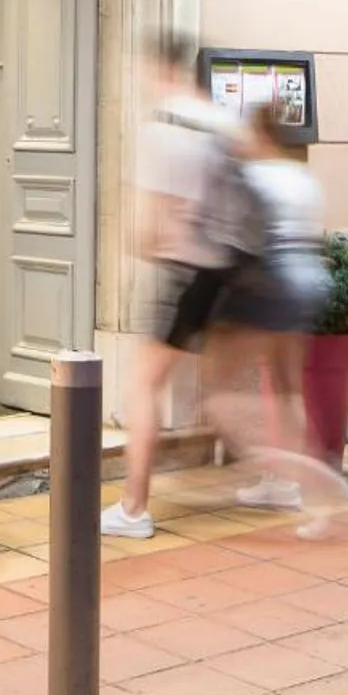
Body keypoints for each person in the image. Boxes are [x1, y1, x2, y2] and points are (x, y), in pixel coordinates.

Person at [100, 34, 236, 540]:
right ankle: (284, 479)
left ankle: (134, 508)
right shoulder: (219, 121)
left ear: (162, 69)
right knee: (228, 386)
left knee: (144, 387)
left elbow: (153, 222)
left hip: (181, 272)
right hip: (225, 268)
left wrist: (139, 245)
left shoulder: (162, 128)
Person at [207, 105, 348, 535]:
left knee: (216, 387)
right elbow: (315, 238)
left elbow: (237, 240)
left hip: (272, 286)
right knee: (288, 389)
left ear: (258, 134)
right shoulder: (301, 177)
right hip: (307, 285)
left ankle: (283, 469)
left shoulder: (257, 177)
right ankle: (287, 485)